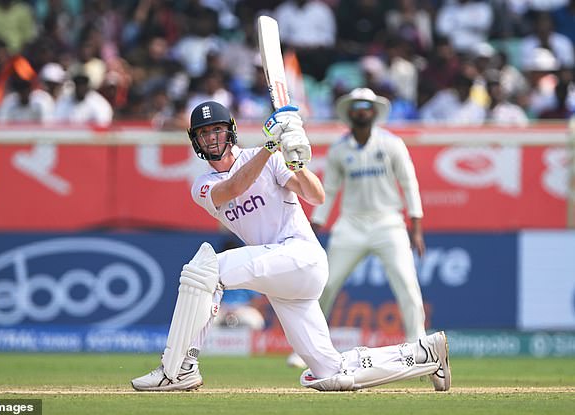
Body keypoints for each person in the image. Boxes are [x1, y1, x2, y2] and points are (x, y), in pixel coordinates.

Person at [130, 100, 451, 392]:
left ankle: (177, 369)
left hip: (302, 256)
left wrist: (297, 162)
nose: (212, 138)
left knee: (205, 268)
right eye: (204, 133)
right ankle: (423, 354)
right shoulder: (203, 185)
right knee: (330, 373)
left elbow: (317, 195)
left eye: (217, 129)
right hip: (281, 279)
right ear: (195, 141)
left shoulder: (267, 159)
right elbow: (234, 186)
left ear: (230, 132)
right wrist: (270, 146)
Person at [286, 87, 445, 392]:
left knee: (408, 286)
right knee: (324, 284)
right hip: (351, 225)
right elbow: (329, 191)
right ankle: (305, 350)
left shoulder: (392, 144)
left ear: (374, 112)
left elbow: (409, 184)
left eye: (367, 106)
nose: (362, 110)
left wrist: (417, 226)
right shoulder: (338, 150)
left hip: (388, 223)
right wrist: (314, 225)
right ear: (350, 113)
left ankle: (421, 350)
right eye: (357, 106)